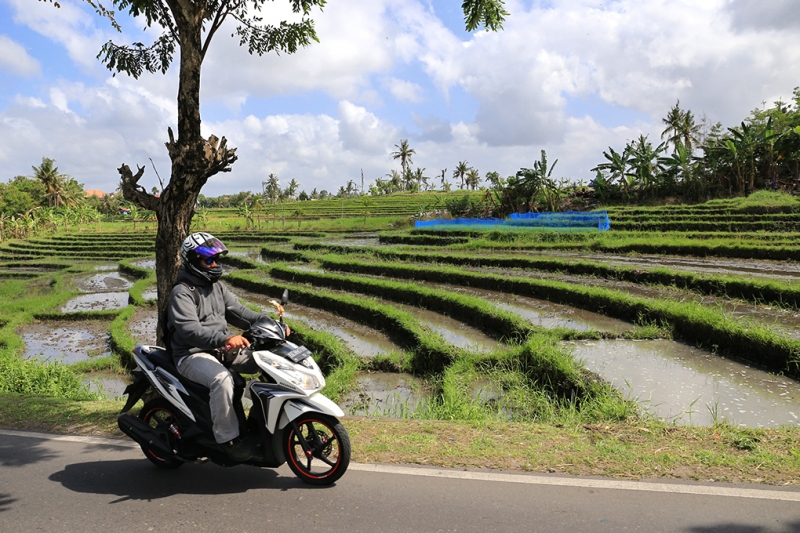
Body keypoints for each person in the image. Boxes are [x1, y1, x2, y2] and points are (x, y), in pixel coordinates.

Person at [167, 232, 266, 461]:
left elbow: (241, 313)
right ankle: (228, 440)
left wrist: (269, 323)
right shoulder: (182, 292)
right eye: (209, 260)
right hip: (191, 355)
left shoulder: (218, 288)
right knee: (222, 379)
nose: (215, 264)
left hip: (218, 351)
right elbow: (190, 331)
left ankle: (262, 423)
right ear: (192, 260)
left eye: (217, 259)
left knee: (266, 361)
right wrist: (224, 339)